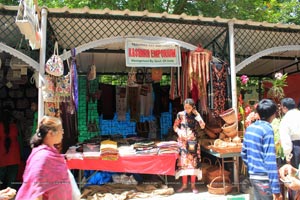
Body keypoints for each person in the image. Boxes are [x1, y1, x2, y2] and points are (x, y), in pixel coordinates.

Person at [15, 116, 72, 200]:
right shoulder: (42, 157)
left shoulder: (52, 152)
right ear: (50, 133)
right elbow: (36, 191)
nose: (63, 133)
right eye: (61, 130)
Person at [241, 99, 282, 200]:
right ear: (273, 115)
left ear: (258, 113)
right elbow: (270, 159)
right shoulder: (267, 130)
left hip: (253, 175)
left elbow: (243, 154)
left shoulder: (250, 128)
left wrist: (253, 167)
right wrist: (276, 190)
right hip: (264, 177)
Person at [173, 98, 205, 194]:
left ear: (192, 107)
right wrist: (179, 131)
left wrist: (198, 115)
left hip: (193, 143)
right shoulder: (180, 115)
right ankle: (184, 185)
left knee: (193, 164)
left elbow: (203, 126)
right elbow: (175, 126)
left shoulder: (196, 115)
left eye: (189, 107)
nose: (187, 109)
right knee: (184, 164)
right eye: (185, 107)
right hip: (183, 143)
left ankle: (193, 186)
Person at [0, 107, 21, 190]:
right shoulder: (15, 127)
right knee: (11, 182)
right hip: (14, 157)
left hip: (2, 157)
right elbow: (20, 142)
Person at [279, 98, 300, 168]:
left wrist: (287, 154)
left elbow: (285, 137)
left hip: (296, 147)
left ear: (285, 108)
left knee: (296, 174)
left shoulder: (286, 119)